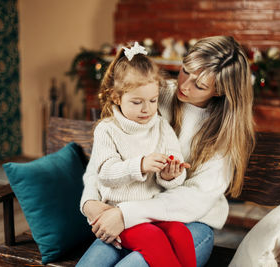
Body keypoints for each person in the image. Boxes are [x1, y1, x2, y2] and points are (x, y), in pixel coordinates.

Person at [78, 36, 255, 267]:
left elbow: (192, 199)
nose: (184, 85)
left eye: (199, 85)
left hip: (189, 222)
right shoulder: (153, 93)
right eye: (185, 71)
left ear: (220, 90)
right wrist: (89, 202)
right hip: (130, 213)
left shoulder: (224, 136)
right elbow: (106, 155)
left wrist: (125, 214)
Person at [77, 42, 196, 267]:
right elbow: (105, 173)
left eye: (152, 101)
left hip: (151, 211)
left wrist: (171, 175)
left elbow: (175, 174)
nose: (147, 109)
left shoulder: (161, 126)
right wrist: (140, 165)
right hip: (117, 213)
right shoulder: (107, 129)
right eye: (137, 102)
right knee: (153, 239)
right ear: (115, 97)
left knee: (181, 233)